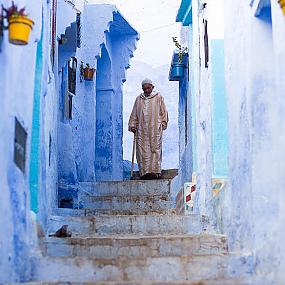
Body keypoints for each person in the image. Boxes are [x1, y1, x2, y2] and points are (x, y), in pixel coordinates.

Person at [128, 78, 169, 179]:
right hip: (141, 130)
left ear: (152, 87)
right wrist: (133, 125)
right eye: (144, 88)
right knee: (142, 150)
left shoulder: (158, 97)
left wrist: (163, 123)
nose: (146, 90)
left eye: (148, 88)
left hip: (155, 128)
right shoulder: (139, 99)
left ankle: (155, 172)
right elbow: (134, 113)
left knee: (155, 149)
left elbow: (164, 111)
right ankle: (145, 172)